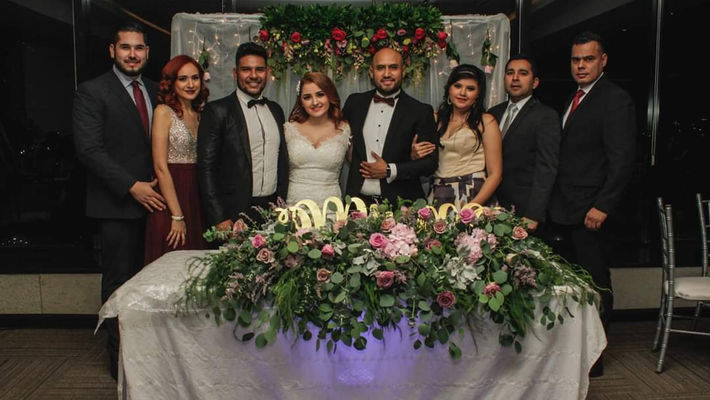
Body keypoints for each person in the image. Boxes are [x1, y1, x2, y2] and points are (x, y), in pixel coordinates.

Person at [73, 22, 163, 379]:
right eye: (125, 47)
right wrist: (130, 186)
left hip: (157, 205)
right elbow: (89, 150)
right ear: (112, 50)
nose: (132, 54)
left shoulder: (157, 90)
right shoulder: (92, 91)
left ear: (147, 53)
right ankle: (120, 362)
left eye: (139, 48)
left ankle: (152, 355)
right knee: (119, 284)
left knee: (153, 283)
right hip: (117, 206)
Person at [547, 32, 636, 377]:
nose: (581, 66)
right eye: (576, 60)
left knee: (597, 285)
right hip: (566, 210)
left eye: (588, 59)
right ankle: (573, 353)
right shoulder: (573, 98)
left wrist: (603, 206)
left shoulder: (615, 100)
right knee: (573, 285)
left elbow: (622, 161)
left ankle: (595, 360)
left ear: (603, 60)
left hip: (591, 213)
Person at [197, 42, 288, 229]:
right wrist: (219, 217)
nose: (253, 75)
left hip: (272, 212)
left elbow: (281, 162)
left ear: (267, 72)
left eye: (259, 69)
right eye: (246, 69)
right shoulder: (218, 111)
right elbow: (206, 169)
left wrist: (281, 207)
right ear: (235, 73)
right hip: (233, 213)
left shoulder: (276, 111)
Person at [343, 47, 438, 206]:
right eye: (380, 68)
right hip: (358, 203)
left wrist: (390, 170)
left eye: (393, 67)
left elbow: (430, 164)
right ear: (371, 72)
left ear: (403, 71)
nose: (387, 74)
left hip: (402, 204)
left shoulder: (420, 111)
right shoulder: (354, 103)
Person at [144, 55, 210, 265]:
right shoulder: (164, 112)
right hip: (172, 193)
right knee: (172, 260)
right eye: (183, 79)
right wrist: (177, 215)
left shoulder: (200, 113)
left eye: (195, 78)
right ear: (171, 83)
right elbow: (160, 166)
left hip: (196, 193)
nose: (190, 84)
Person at [411, 64, 502, 208]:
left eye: (470, 88)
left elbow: (495, 174)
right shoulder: (434, 118)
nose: (463, 93)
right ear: (449, 89)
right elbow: (423, 163)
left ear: (478, 95)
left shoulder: (485, 121)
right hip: (438, 192)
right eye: (457, 86)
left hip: (474, 194)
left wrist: (472, 208)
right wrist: (414, 156)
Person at [488, 54, 560, 231]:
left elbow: (546, 168)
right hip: (490, 206)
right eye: (510, 73)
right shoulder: (492, 114)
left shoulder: (546, 116)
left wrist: (534, 214)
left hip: (523, 211)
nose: (515, 78)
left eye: (523, 73)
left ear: (534, 82)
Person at [284, 72, 350, 205]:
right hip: (293, 207)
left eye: (320, 94)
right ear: (301, 102)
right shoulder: (288, 129)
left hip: (331, 208)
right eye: (307, 97)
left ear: (330, 96)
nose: (315, 102)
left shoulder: (345, 129)